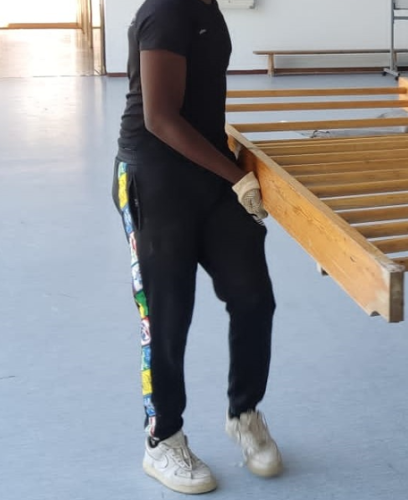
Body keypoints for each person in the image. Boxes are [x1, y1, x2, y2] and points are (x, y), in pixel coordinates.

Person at [111, 0, 282, 494]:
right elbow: (160, 118)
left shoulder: (207, 6)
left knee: (253, 298)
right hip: (155, 180)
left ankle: (244, 414)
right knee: (167, 315)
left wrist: (232, 174)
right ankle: (162, 440)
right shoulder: (167, 10)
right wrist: (239, 178)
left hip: (209, 172)